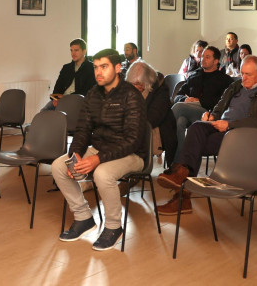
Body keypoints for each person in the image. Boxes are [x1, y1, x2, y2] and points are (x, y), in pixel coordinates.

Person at [156, 56, 257, 215]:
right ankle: (182, 177)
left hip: (243, 136)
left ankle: (182, 189)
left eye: (248, 74)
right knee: (197, 127)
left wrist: (230, 125)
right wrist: (212, 116)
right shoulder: (236, 86)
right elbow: (220, 104)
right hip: (221, 126)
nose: (244, 77)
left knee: (194, 146)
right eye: (242, 73)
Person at [53, 49, 146, 251]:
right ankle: (83, 218)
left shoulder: (131, 95)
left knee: (102, 173)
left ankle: (113, 226)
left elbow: (133, 140)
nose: (98, 72)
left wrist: (98, 160)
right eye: (95, 67)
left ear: (118, 68)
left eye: (104, 67)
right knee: (59, 166)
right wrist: (76, 153)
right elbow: (83, 129)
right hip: (99, 150)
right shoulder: (93, 94)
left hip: (131, 154)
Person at [168, 46, 233, 167]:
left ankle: (172, 157)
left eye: (207, 57)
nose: (203, 59)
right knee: (180, 121)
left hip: (207, 114)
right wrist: (185, 99)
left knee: (177, 108)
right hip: (187, 110)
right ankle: (179, 163)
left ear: (216, 61)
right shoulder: (194, 75)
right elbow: (177, 96)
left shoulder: (224, 79)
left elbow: (223, 102)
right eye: (202, 56)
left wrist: (199, 101)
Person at [125, 61, 173, 163]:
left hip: (159, 128)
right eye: (133, 83)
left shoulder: (161, 89)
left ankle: (134, 162)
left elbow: (154, 117)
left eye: (139, 83)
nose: (135, 87)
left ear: (147, 81)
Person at [44, 38, 95, 110]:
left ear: (84, 51)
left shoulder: (91, 68)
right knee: (43, 112)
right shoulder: (66, 68)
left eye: (76, 50)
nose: (73, 53)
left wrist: (65, 98)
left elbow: (86, 91)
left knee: (58, 115)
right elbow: (58, 86)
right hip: (61, 100)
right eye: (71, 50)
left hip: (77, 101)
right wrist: (55, 99)